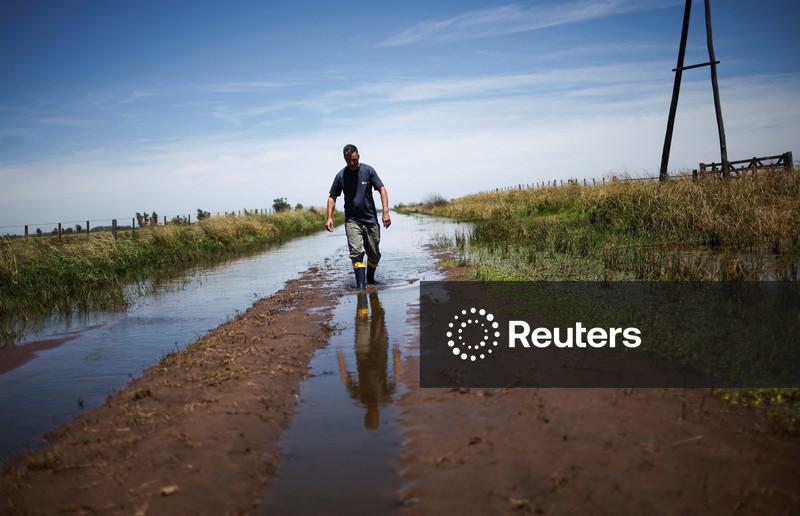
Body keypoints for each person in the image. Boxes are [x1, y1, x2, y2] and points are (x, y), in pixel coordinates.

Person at [326, 144, 390, 289]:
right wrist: (329, 217)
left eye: (354, 160)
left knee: (374, 254)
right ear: (345, 159)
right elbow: (332, 197)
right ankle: (361, 286)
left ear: (358, 155)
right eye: (348, 161)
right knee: (356, 253)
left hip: (370, 219)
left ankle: (370, 279)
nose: (351, 163)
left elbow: (382, 189)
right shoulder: (341, 175)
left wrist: (385, 211)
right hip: (352, 221)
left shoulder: (368, 171)